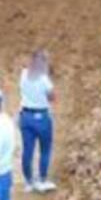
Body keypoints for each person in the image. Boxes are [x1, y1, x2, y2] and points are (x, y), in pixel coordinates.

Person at [20, 49, 57, 192]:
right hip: (41, 117)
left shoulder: (23, 74)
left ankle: (29, 182)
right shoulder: (44, 80)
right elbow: (52, 97)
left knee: (27, 150)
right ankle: (42, 180)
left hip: (25, 116)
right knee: (45, 149)